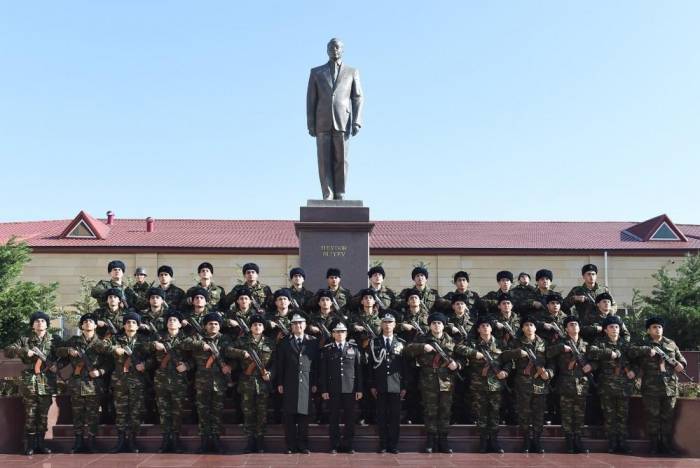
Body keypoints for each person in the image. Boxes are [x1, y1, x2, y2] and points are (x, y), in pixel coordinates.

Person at [306, 37, 364, 200]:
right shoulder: (316, 72)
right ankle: (328, 192)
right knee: (324, 160)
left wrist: (357, 120)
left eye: (337, 47)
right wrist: (311, 123)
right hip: (322, 121)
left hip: (343, 120)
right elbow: (311, 99)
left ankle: (340, 192)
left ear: (342, 50)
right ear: (326, 50)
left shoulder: (352, 72)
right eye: (331, 47)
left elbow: (358, 97)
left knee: (341, 159)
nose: (334, 49)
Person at [628, 316, 688, 455]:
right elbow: (630, 354)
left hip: (670, 386)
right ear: (648, 330)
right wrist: (645, 350)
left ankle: (666, 444)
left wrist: (682, 364)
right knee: (652, 417)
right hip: (651, 387)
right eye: (654, 327)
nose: (658, 329)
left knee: (668, 417)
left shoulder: (670, 343)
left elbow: (681, 358)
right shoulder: (643, 343)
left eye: (660, 327)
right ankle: (654, 445)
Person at [405, 313, 464, 454]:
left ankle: (443, 440)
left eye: (439, 323)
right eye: (434, 323)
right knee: (430, 411)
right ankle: (431, 440)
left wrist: (457, 365)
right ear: (430, 325)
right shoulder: (422, 338)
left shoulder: (452, 340)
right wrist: (422, 347)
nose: (436, 325)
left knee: (445, 411)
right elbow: (407, 350)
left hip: (446, 381)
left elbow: (462, 357)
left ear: (444, 326)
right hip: (428, 381)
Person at [4, 311, 61, 455]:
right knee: (30, 414)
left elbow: (65, 354)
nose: (40, 323)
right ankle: (29, 445)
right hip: (30, 382)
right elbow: (8, 351)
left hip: (47, 382)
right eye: (37, 321)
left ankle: (40, 444)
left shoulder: (55, 340)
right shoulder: (25, 340)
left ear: (47, 325)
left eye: (43, 321)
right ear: (32, 325)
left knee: (43, 416)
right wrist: (24, 351)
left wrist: (56, 366)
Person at [56, 313, 112, 454]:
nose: (88, 323)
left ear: (95, 326)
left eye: (91, 322)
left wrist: (100, 372)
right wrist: (68, 350)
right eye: (85, 321)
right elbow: (58, 351)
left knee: (93, 414)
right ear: (81, 326)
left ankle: (91, 441)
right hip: (77, 383)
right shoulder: (74, 341)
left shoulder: (101, 343)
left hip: (93, 383)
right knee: (77, 414)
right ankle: (78, 441)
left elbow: (110, 363)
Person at [457, 317, 511, 454]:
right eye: (482, 326)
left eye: (488, 325)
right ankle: (483, 441)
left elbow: (508, 361)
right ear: (478, 329)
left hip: (496, 385)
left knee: (494, 414)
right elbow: (458, 348)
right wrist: (474, 353)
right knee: (481, 414)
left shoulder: (500, 344)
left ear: (491, 329)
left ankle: (494, 441)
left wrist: (505, 372)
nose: (485, 327)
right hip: (478, 385)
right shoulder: (473, 343)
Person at [185, 312, 234, 453]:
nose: (213, 326)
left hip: (219, 382)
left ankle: (216, 441)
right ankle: (204, 442)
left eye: (216, 324)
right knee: (203, 413)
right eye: (210, 323)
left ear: (219, 326)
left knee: (217, 413)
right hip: (202, 382)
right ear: (205, 326)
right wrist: (201, 345)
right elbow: (184, 343)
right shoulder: (198, 338)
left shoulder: (225, 339)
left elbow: (233, 357)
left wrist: (230, 367)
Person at [503, 315, 553, 454]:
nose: (529, 327)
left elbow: (553, 362)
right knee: (524, 412)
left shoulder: (544, 343)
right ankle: (526, 440)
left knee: (538, 413)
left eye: (531, 325)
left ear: (535, 328)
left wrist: (549, 373)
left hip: (540, 381)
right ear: (522, 328)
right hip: (523, 383)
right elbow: (504, 356)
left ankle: (537, 440)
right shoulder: (516, 342)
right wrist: (517, 352)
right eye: (526, 325)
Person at [546, 315, 595, 454]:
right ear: (566, 329)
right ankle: (569, 442)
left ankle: (578, 440)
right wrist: (561, 347)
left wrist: (591, 366)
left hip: (582, 384)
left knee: (579, 415)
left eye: (576, 324)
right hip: (566, 383)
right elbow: (547, 354)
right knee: (567, 415)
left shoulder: (585, 344)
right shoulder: (560, 343)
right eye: (571, 325)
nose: (574, 327)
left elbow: (595, 359)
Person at [228, 314, 276, 453]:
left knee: (262, 413)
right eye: (254, 325)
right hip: (247, 382)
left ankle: (260, 442)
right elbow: (228, 350)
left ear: (263, 327)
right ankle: (250, 441)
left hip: (263, 382)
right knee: (248, 413)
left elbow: (275, 362)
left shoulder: (270, 342)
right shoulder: (242, 340)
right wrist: (242, 353)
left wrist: (271, 374)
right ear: (250, 327)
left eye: (260, 325)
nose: (257, 327)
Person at [588, 315, 635, 454]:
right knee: (609, 416)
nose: (614, 329)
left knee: (622, 416)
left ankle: (623, 442)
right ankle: (612, 442)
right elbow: (591, 352)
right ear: (605, 330)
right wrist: (610, 353)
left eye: (616, 327)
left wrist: (634, 372)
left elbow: (637, 361)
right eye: (611, 327)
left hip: (624, 387)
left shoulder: (626, 344)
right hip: (606, 386)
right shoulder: (600, 343)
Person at [149, 310, 192, 453]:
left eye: (175, 320)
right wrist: (153, 345)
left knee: (177, 411)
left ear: (180, 324)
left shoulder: (186, 339)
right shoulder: (158, 337)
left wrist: (187, 365)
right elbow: (142, 349)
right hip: (161, 379)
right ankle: (165, 440)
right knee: (164, 411)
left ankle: (176, 439)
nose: (172, 322)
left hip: (179, 380)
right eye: (170, 320)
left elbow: (196, 357)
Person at [108, 311, 152, 453]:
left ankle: (132, 441)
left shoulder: (144, 341)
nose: (130, 324)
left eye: (133, 322)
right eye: (128, 322)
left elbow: (154, 357)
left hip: (137, 382)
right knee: (120, 412)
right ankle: (120, 441)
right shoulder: (116, 339)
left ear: (138, 326)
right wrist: (115, 349)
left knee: (135, 412)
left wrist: (145, 365)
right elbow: (102, 347)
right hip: (120, 381)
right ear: (124, 325)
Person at [275, 314, 320, 454]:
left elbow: (316, 365)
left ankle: (303, 445)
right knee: (289, 417)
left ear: (305, 325)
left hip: (307, 383)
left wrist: (315, 382)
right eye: (295, 324)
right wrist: (280, 383)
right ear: (291, 326)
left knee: (304, 417)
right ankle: (290, 446)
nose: (298, 326)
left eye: (300, 323)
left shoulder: (313, 341)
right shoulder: (284, 342)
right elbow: (280, 364)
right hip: (289, 383)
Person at [320, 322, 363, 453]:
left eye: (342, 331)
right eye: (337, 331)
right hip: (333, 389)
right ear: (333, 334)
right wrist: (324, 390)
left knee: (350, 418)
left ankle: (348, 445)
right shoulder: (328, 349)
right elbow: (324, 372)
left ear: (346, 333)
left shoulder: (354, 348)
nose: (340, 334)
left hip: (350, 389)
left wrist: (359, 389)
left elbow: (358, 370)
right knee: (334, 418)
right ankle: (334, 445)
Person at [367, 313, 407, 454]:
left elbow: (405, 366)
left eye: (391, 322)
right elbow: (370, 366)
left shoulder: (401, 342)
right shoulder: (374, 342)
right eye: (385, 322)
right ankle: (383, 444)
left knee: (395, 418)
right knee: (382, 417)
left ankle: (394, 445)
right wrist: (372, 384)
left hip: (396, 386)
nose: (388, 325)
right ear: (381, 325)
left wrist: (404, 386)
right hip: (380, 385)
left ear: (395, 325)